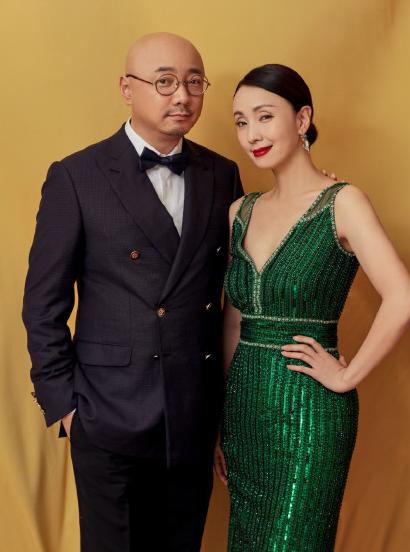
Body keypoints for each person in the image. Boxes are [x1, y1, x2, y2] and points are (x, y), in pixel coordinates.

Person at [22, 32, 244, 551]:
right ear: (127, 88)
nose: (182, 96)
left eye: (194, 82)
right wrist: (67, 408)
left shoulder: (222, 173)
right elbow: (43, 304)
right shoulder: (77, 176)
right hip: (107, 411)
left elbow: (234, 292)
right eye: (165, 82)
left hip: (193, 410)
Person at [214, 64, 410, 551]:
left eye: (265, 116)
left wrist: (347, 377)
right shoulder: (240, 211)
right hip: (243, 411)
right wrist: (220, 420)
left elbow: (405, 297)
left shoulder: (342, 202)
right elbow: (233, 322)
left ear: (302, 119)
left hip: (309, 412)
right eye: (241, 122)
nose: (251, 134)